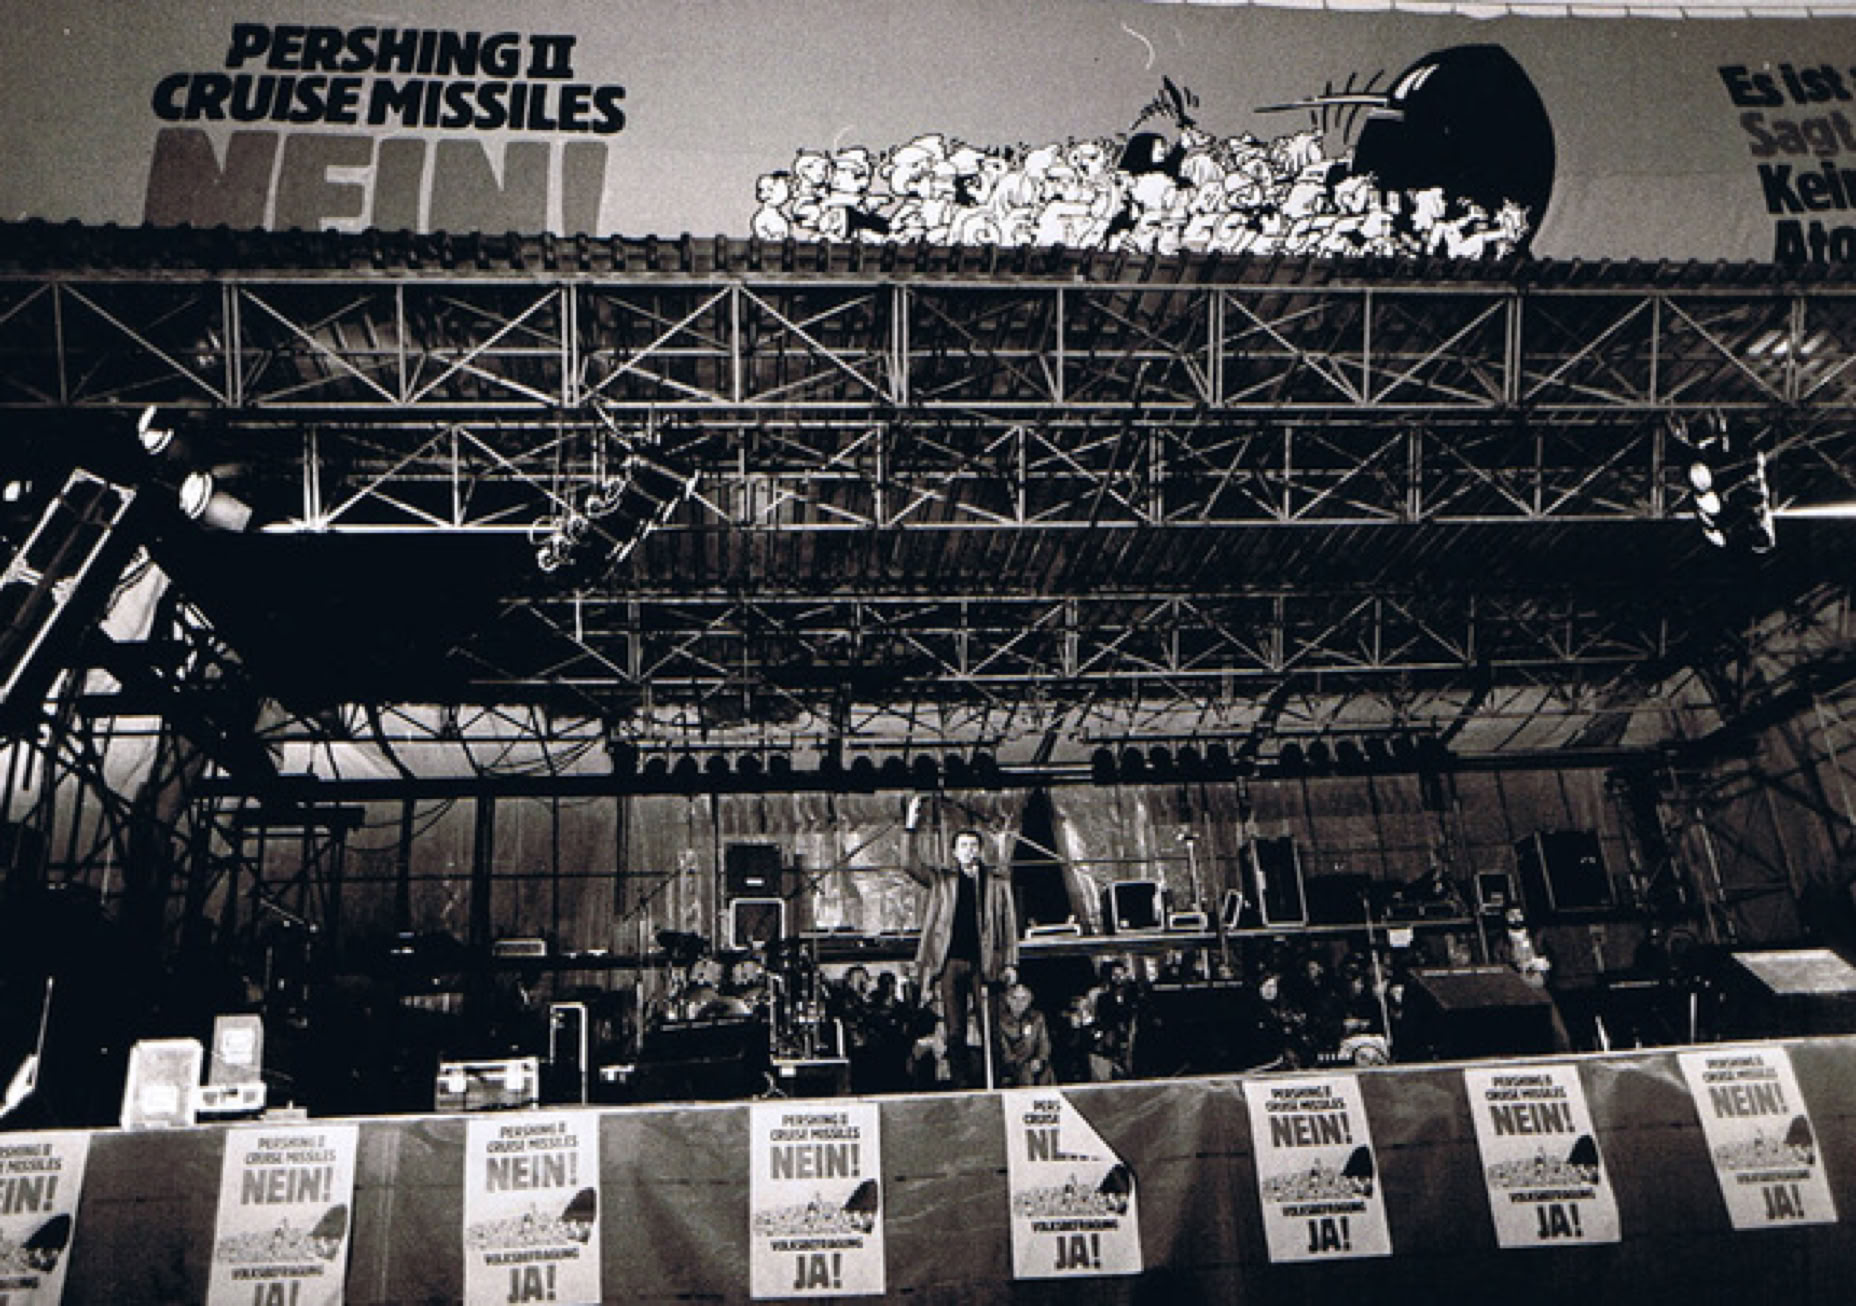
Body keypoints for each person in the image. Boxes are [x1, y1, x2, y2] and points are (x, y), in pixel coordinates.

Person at [903, 793, 1018, 1088]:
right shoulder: (942, 881)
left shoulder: (996, 882)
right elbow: (909, 864)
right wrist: (911, 824)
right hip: (950, 961)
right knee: (954, 1030)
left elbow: (1008, 925)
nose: (968, 851)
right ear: (954, 852)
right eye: (963, 846)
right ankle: (960, 1085)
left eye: (973, 846)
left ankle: (995, 1081)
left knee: (989, 1026)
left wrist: (1011, 962)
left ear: (980, 850)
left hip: (984, 961)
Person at [996, 983, 1054, 1086]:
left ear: (1029, 1001)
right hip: (1014, 1066)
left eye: (1023, 999)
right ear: (1008, 1000)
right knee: (1025, 1075)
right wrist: (1023, 1064)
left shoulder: (1037, 1018)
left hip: (1036, 1063)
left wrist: (1040, 1059)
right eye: (1015, 998)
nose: (1019, 1003)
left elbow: (1044, 1042)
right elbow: (1005, 1052)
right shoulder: (1001, 1022)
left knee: (1047, 1072)